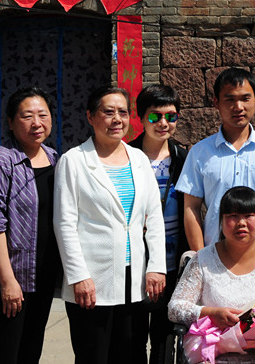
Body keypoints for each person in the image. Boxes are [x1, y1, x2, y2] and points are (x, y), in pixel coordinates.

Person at [53, 85, 167, 364]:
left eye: (123, 112)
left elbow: (154, 217)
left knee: (132, 353)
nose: (117, 119)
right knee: (94, 355)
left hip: (134, 278)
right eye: (108, 112)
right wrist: (78, 276)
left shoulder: (138, 159)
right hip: (93, 280)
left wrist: (156, 266)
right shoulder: (74, 161)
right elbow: (64, 223)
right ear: (91, 117)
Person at [0, 87, 60, 364]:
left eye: (43, 115)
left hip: (42, 276)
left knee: (30, 352)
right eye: (27, 116)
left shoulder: (54, 158)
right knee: (4, 354)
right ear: (10, 122)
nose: (37, 123)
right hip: (9, 277)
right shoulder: (2, 160)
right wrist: (8, 282)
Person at [176, 67, 255, 251]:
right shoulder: (200, 153)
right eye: (230, 99)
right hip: (215, 254)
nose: (238, 107)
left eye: (245, 98)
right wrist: (200, 256)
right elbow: (191, 208)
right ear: (216, 102)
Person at [168, 186, 255, 363]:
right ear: (221, 220)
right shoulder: (203, 260)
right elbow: (175, 308)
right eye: (233, 216)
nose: (241, 223)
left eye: (249, 215)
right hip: (213, 356)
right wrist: (211, 313)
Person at [128, 84, 189, 364]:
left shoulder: (183, 158)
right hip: (135, 261)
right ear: (141, 118)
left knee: (165, 339)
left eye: (171, 116)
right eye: (155, 116)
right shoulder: (126, 156)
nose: (163, 123)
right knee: (132, 337)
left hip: (171, 263)